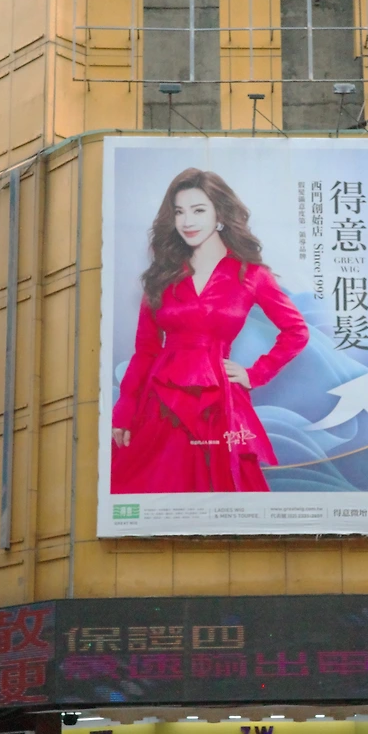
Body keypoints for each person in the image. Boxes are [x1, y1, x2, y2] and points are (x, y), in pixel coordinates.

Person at [110, 167, 309, 493]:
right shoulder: (161, 276)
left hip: (219, 403)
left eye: (198, 210)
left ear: (219, 214)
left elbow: (296, 331)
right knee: (153, 491)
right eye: (179, 212)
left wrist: (255, 373)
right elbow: (146, 350)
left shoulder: (251, 274)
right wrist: (125, 409)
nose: (187, 221)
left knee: (225, 494)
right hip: (161, 402)